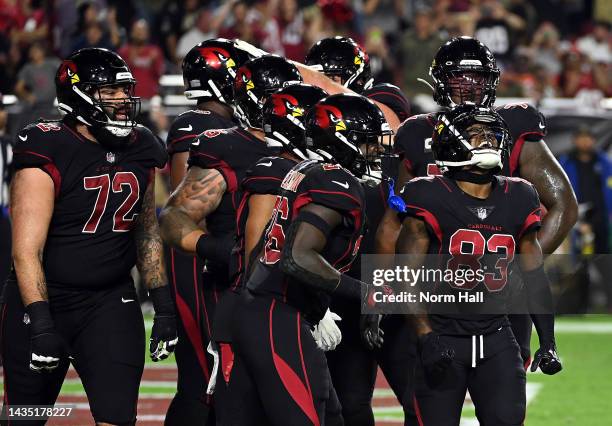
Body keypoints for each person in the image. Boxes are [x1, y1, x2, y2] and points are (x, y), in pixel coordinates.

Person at [378, 36, 577, 371]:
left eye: (478, 79)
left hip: (498, 296)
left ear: (493, 81)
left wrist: (515, 272)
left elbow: (564, 207)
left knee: (505, 401)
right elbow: (393, 221)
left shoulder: (513, 124)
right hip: (434, 292)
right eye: (458, 78)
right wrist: (383, 291)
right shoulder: (416, 132)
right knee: (428, 398)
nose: (469, 88)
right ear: (441, 82)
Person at [1, 47, 177, 426]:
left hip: (109, 300)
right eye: (109, 92)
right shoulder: (48, 146)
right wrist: (42, 322)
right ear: (78, 95)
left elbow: (146, 231)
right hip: (46, 298)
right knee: (23, 418)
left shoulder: (141, 146)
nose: (121, 101)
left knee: (117, 417)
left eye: (124, 91)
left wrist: (162, 303)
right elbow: (26, 251)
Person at [225, 93, 393, 425]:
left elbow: (266, 251)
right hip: (277, 313)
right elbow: (298, 257)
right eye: (366, 142)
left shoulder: (303, 170)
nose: (374, 151)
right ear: (341, 140)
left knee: (330, 416)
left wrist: (315, 309)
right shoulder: (336, 180)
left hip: (262, 306)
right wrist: (367, 293)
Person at [395, 105, 562, 425]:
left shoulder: (521, 194)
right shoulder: (427, 192)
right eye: (476, 134)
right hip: (442, 333)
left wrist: (548, 340)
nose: (487, 140)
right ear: (450, 143)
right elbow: (406, 275)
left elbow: (534, 275)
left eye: (492, 134)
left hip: (497, 336)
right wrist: (425, 334)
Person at [305, 35, 414, 426]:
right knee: (349, 403)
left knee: (420, 399)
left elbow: (381, 116)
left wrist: (304, 77)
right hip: (341, 281)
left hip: (394, 277)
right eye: (322, 77)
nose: (326, 84)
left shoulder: (384, 102)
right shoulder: (308, 129)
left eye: (333, 76)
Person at [162, 38, 251, 426]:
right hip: (194, 257)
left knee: (228, 377)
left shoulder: (229, 126)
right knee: (203, 377)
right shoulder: (197, 124)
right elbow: (186, 207)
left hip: (216, 254)